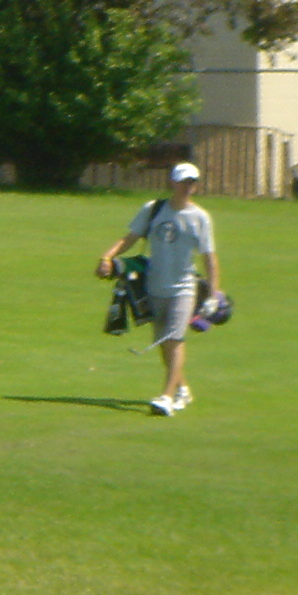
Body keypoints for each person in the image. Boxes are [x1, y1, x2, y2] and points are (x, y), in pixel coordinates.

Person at [96, 160, 222, 416]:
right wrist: (107, 257)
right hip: (154, 287)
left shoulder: (200, 218)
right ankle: (182, 388)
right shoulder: (153, 210)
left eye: (193, 182)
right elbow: (129, 238)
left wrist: (213, 294)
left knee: (174, 340)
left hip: (183, 288)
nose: (189, 186)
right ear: (173, 183)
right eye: (184, 181)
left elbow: (210, 258)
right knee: (163, 343)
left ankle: (165, 397)